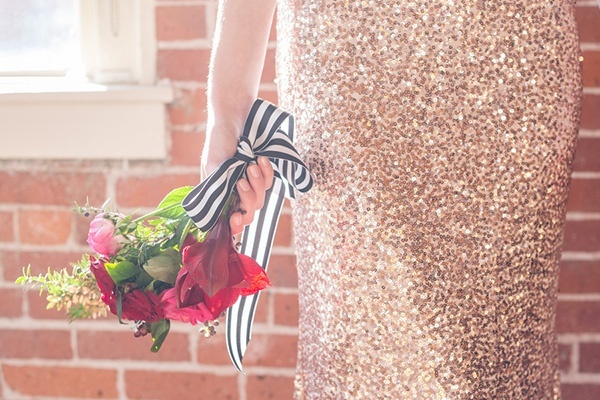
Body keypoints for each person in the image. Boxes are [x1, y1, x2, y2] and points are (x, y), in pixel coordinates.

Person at [202, 0, 582, 398]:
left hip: (518, 60)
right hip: (349, 66)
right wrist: (226, 113)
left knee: (496, 349)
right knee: (361, 348)